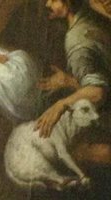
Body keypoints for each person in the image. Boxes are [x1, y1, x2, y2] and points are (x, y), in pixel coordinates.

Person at [35, 0, 110, 137]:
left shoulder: (76, 40)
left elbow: (98, 92)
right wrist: (69, 81)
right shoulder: (90, 13)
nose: (47, 4)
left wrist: (62, 104)